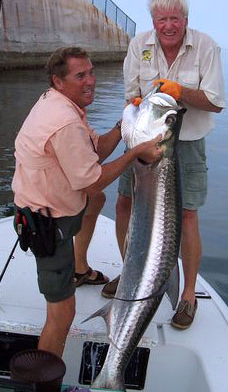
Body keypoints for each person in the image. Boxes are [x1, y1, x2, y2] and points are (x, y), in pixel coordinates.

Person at [11, 46, 163, 357]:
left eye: (91, 72)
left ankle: (80, 268)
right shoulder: (64, 121)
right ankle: (45, 382)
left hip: (57, 201)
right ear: (58, 81)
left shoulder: (59, 103)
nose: (90, 80)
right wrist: (135, 152)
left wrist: (124, 126)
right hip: (47, 224)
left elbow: (93, 151)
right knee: (63, 314)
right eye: (81, 75)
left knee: (96, 200)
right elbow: (93, 177)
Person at [102, 0, 225, 329]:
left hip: (185, 144)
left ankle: (187, 296)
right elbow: (131, 95)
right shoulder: (138, 44)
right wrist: (139, 105)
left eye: (175, 19)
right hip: (141, 142)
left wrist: (179, 91)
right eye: (162, 20)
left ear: (185, 20)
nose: (168, 26)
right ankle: (130, 275)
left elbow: (215, 102)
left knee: (186, 216)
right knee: (124, 204)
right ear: (153, 22)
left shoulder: (205, 46)